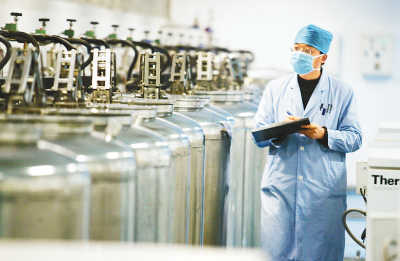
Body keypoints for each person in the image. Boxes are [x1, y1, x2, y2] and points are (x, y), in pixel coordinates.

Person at [254, 24, 362, 260]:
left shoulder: (342, 92)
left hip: (322, 190)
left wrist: (323, 133)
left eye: (307, 50)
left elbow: (354, 138)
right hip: (280, 188)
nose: (299, 55)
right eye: (296, 48)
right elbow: (258, 134)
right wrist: (280, 130)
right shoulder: (275, 89)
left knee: (320, 252)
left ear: (323, 57)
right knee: (276, 252)